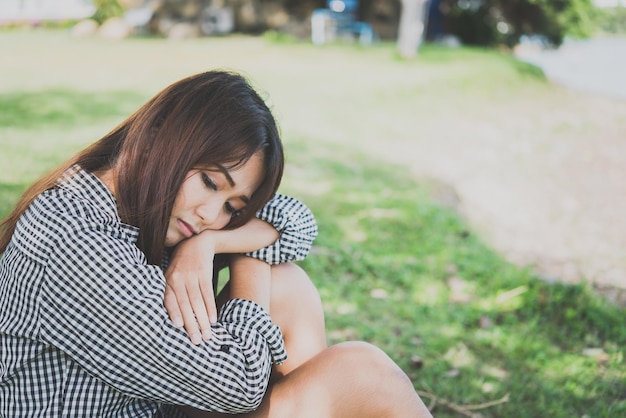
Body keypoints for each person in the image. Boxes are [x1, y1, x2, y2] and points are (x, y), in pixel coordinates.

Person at [0, 70, 433, 417]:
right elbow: (238, 386)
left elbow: (296, 222)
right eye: (209, 182)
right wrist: (247, 261)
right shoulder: (78, 244)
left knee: (288, 285)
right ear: (158, 140)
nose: (212, 215)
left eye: (233, 205)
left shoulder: (136, 210)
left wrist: (208, 244)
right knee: (364, 373)